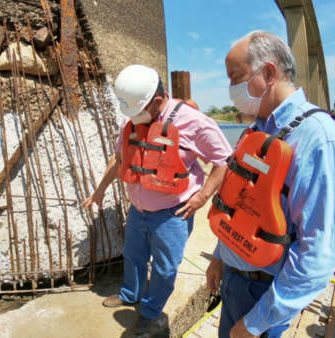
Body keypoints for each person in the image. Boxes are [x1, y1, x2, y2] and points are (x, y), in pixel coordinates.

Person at [205, 31, 335, 338]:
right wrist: (220, 257)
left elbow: (318, 252)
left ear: (268, 73)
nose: (231, 88)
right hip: (233, 279)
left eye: (235, 77)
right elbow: (243, 203)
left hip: (265, 296)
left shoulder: (318, 140)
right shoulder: (256, 132)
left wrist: (257, 321)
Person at [82, 65, 232, 335]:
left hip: (173, 214)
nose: (134, 119)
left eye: (139, 114)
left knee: (164, 269)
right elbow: (119, 156)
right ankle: (130, 294)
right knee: (133, 255)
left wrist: (201, 198)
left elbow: (223, 162)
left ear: (158, 102)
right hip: (138, 209)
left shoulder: (194, 122)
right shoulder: (131, 118)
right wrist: (101, 188)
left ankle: (150, 313)